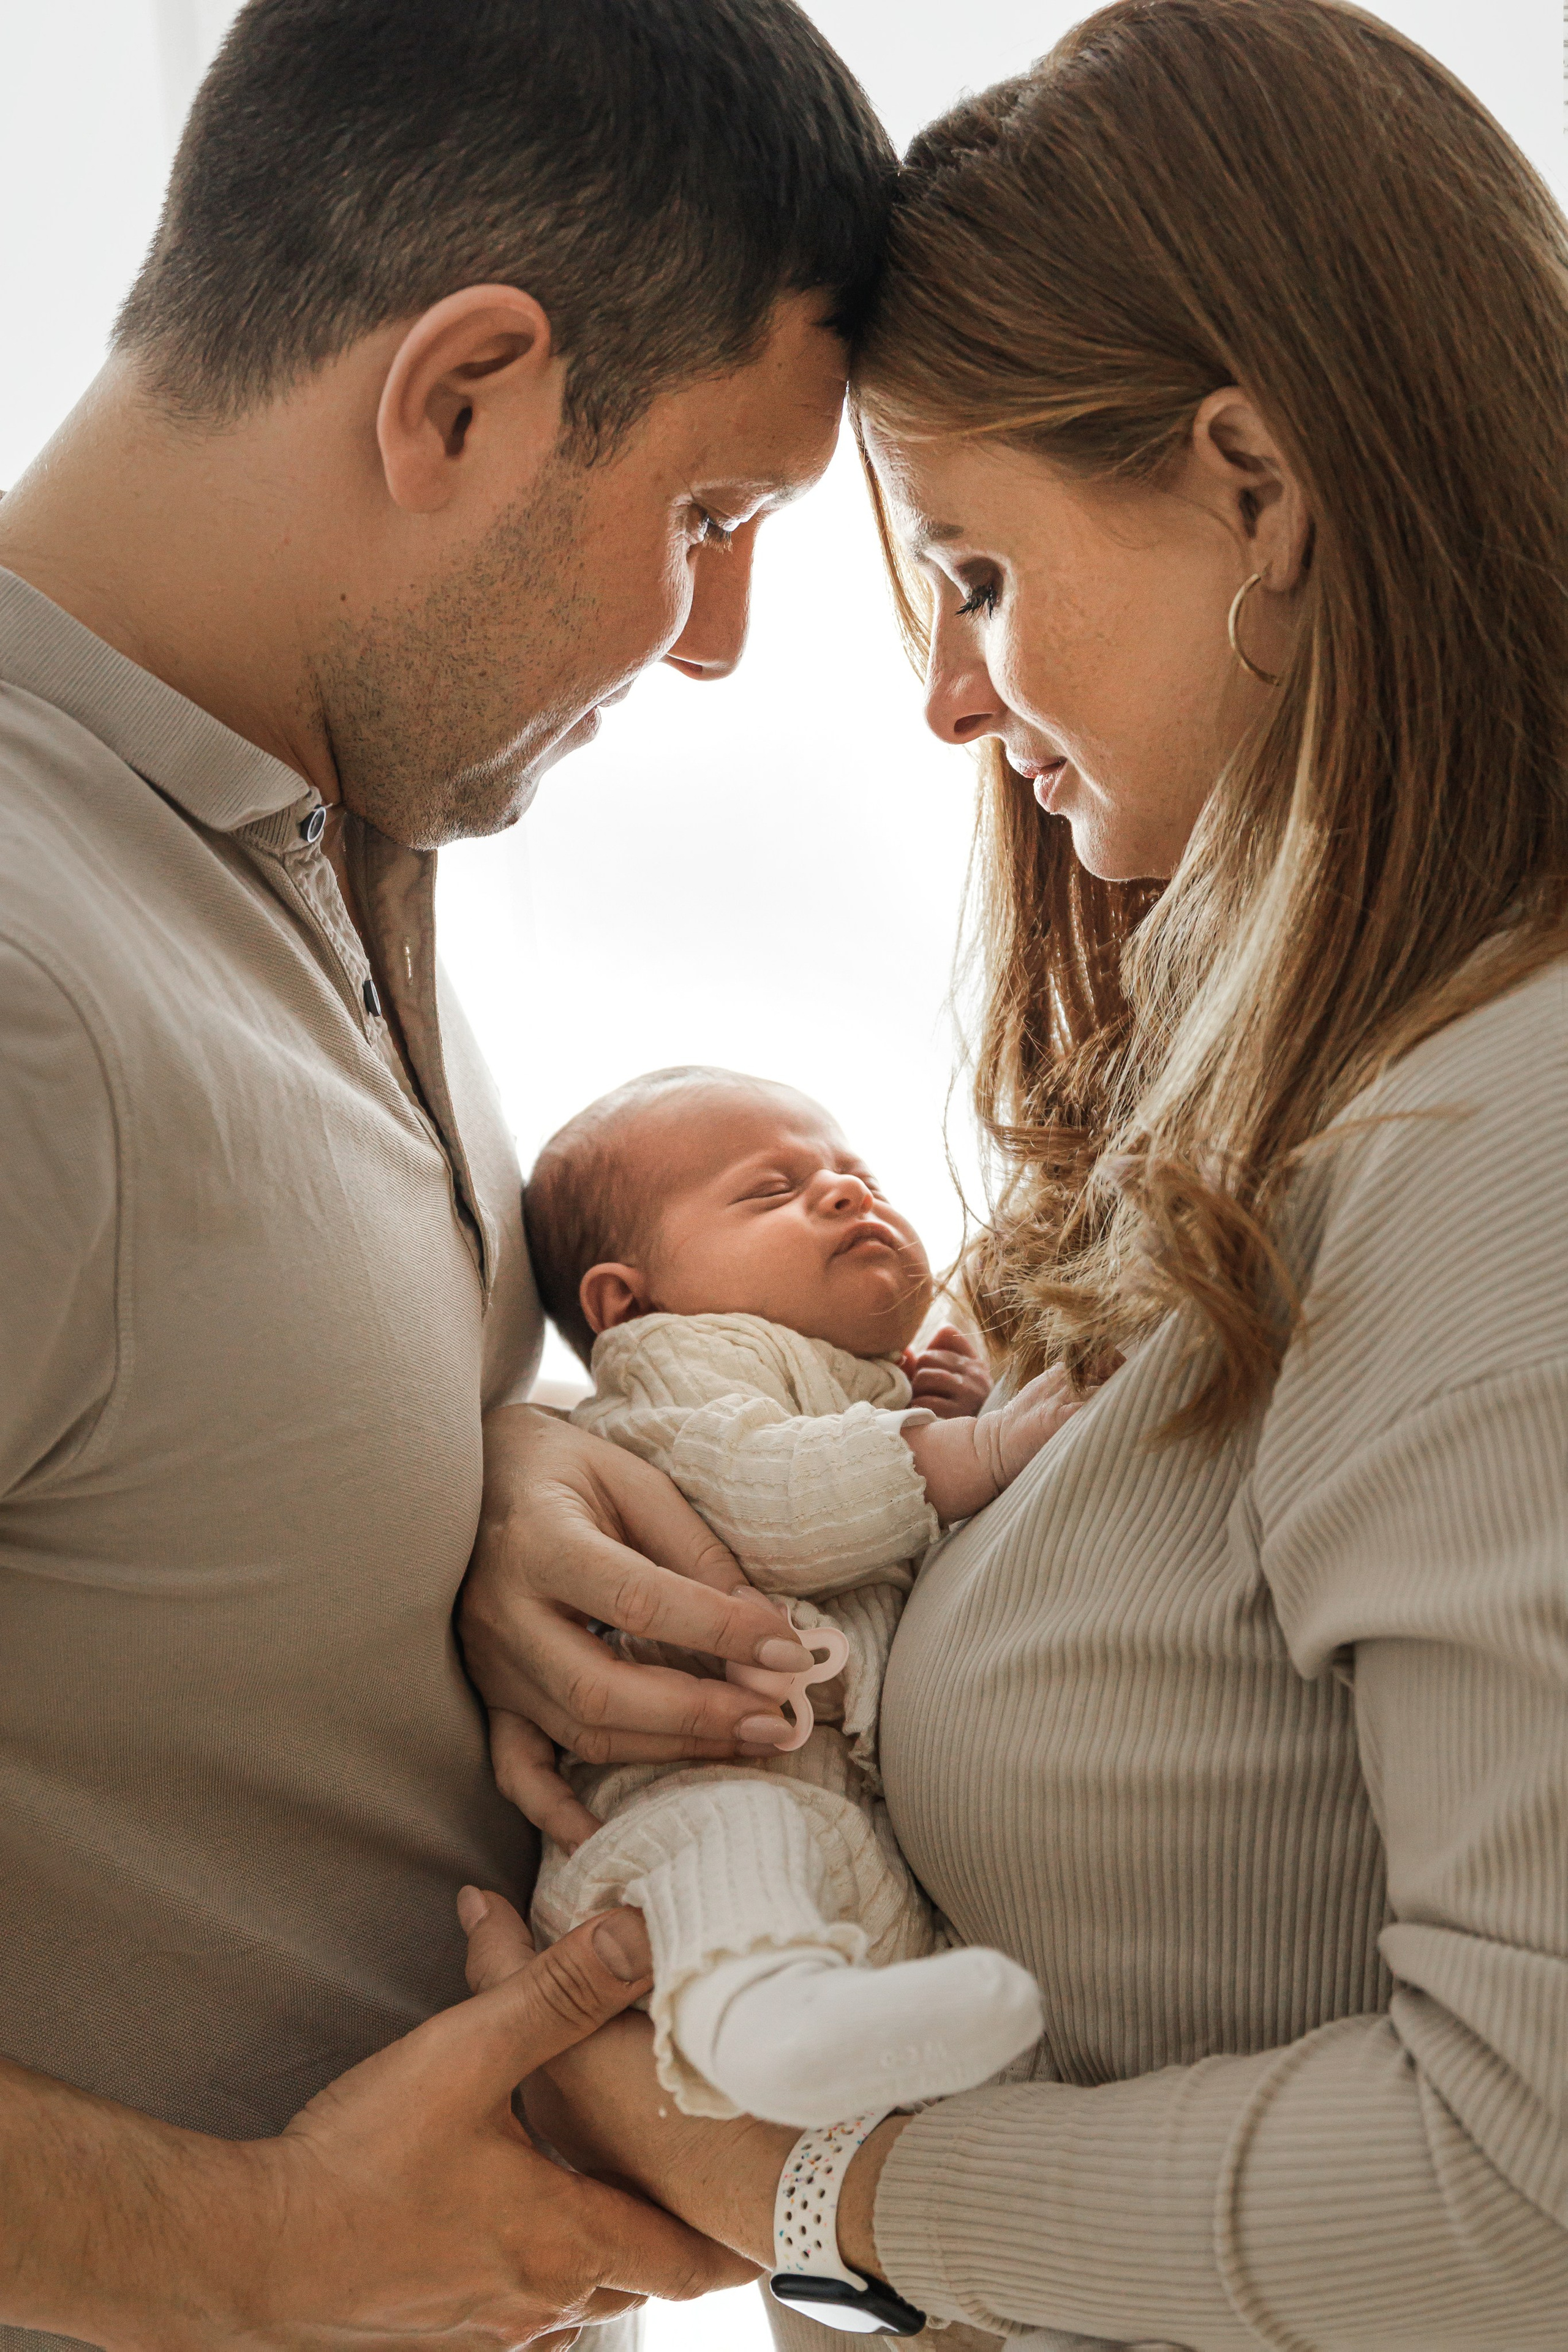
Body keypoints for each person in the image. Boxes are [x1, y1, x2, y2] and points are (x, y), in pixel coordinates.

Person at [464, 4, 1568, 2346]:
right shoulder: (1288, 1106)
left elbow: (1531, 2191)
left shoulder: (1509, 1147)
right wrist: (584, 1483)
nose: (951, 698)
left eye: (972, 572)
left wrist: (823, 2191)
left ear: (1255, 489)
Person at [0, 1, 898, 2343]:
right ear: (464, 395)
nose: (717, 642)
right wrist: (238, 2254)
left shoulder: (316, 845)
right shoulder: (21, 964)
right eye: (711, 521)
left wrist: (504, 1465)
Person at [522, 1064, 1074, 2129]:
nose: (846, 1191)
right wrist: (979, 1449)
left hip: (853, 1827)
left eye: (858, 1174)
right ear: (626, 1298)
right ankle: (761, 2027)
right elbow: (766, 1498)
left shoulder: (876, 1383)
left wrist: (964, 1409)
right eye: (772, 1190)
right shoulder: (678, 1361)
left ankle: (905, 2091)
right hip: (689, 1796)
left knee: (960, 2005)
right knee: (733, 1850)